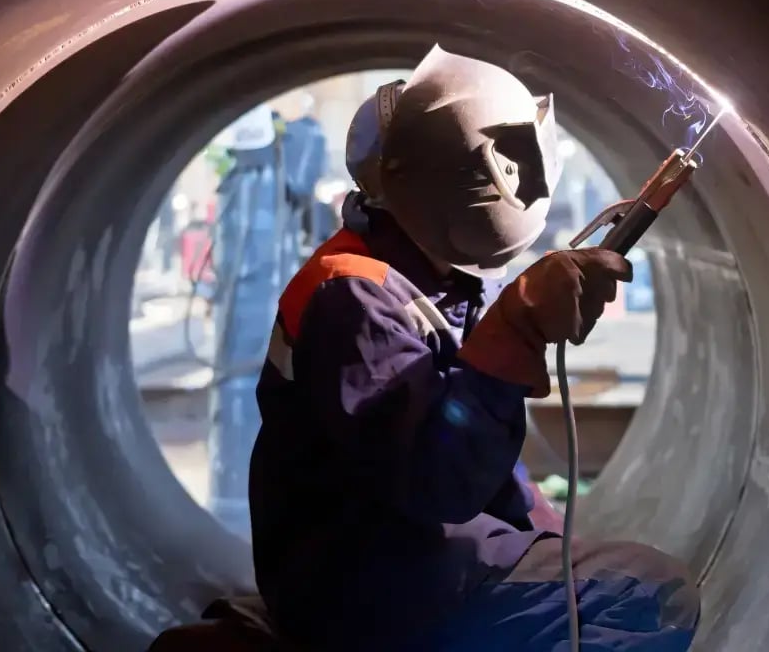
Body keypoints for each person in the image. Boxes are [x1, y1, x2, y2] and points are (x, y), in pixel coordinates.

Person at [247, 46, 700, 651]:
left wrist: (550, 538)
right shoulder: (352, 296)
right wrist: (515, 329)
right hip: (361, 583)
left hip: (408, 557)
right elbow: (440, 480)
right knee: (647, 595)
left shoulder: (433, 279)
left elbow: (486, 469)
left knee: (607, 574)